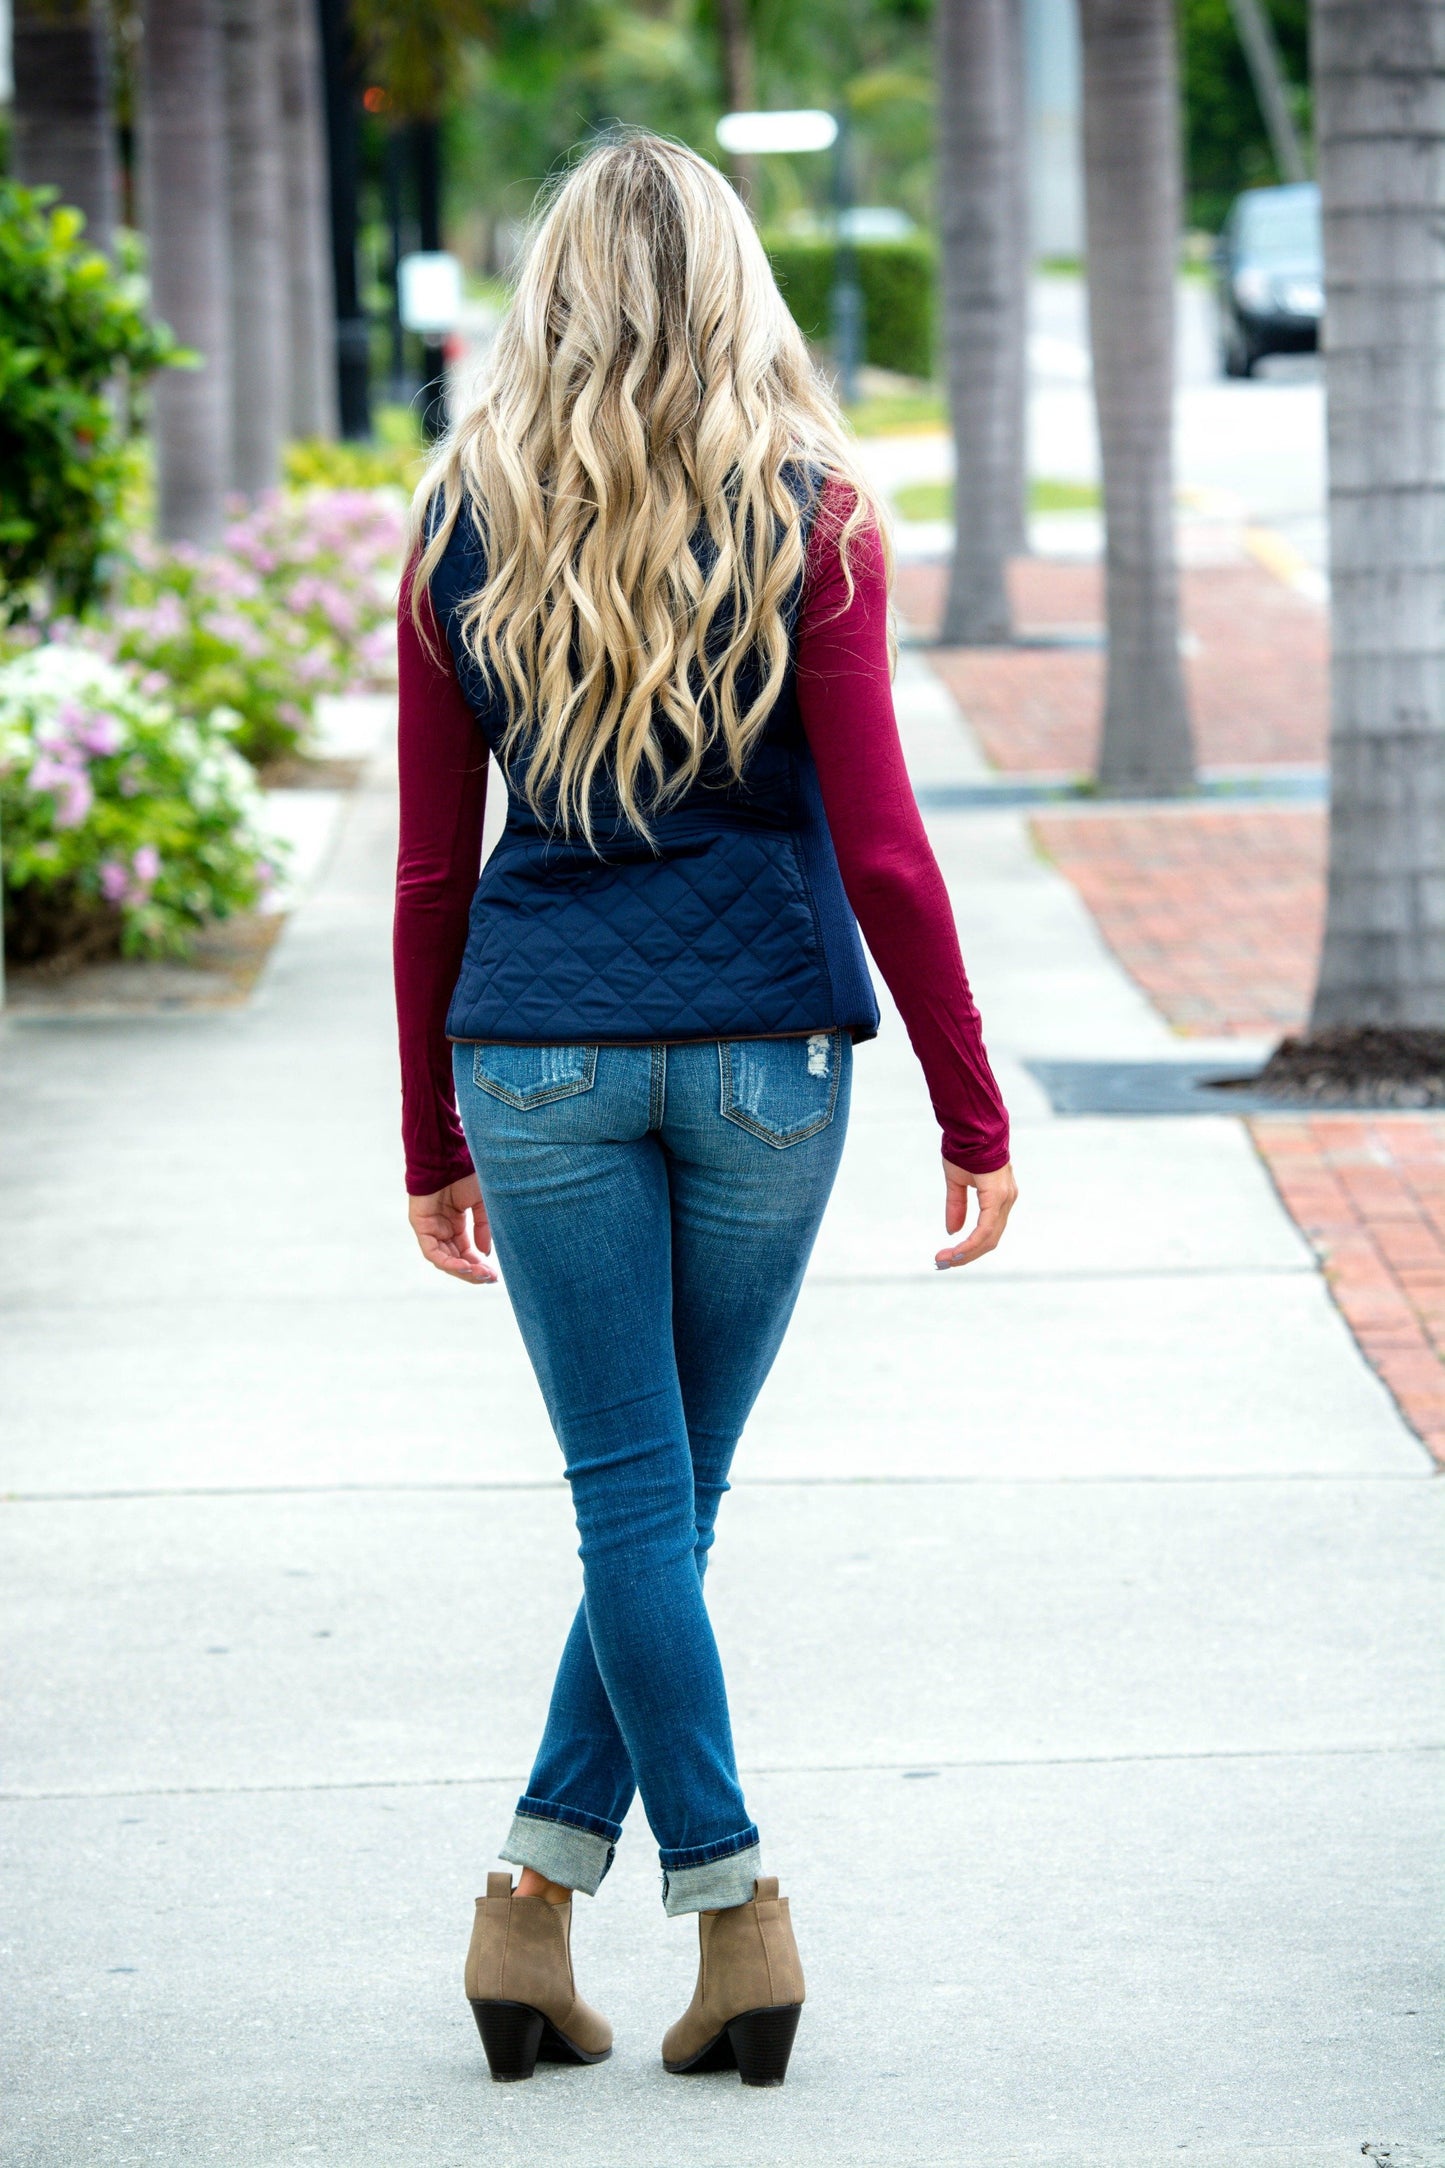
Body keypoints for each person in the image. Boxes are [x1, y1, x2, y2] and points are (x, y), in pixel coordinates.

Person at [393, 131, 1016, 2089]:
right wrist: (972, 1108)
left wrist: (427, 1130)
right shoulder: (816, 513)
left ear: (548, 289)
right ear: (737, 286)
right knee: (665, 1501)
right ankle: (734, 1904)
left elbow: (430, 871)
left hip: (540, 1056)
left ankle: (531, 1900)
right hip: (767, 1058)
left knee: (637, 1505)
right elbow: (890, 853)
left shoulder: (456, 520)